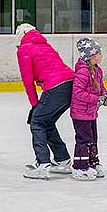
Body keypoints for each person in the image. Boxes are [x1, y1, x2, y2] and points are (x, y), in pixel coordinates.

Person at [16, 23, 74, 180]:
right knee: (46, 121)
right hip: (70, 84)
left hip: (56, 87)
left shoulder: (24, 49)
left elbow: (27, 80)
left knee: (37, 122)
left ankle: (42, 164)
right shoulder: (46, 46)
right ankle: (62, 160)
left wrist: (35, 105)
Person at [70, 38, 107, 180]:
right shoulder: (82, 72)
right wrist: (96, 99)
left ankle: (92, 162)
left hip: (91, 112)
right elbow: (78, 93)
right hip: (80, 113)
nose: (101, 55)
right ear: (90, 56)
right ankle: (80, 166)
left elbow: (99, 86)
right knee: (84, 139)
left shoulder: (97, 70)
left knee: (93, 138)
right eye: (98, 53)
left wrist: (104, 94)